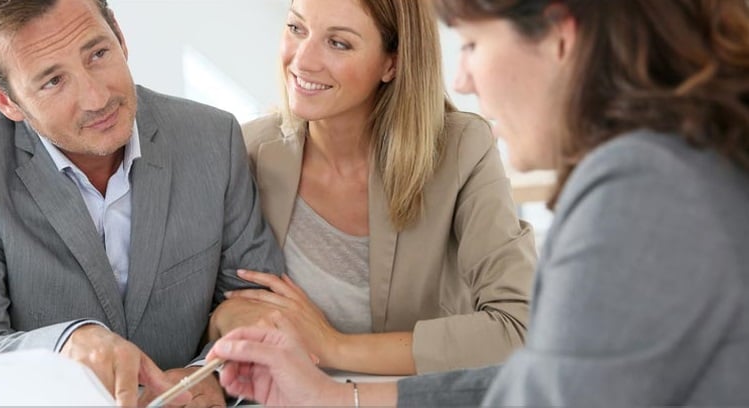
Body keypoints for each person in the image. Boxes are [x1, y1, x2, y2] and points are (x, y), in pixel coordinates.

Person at [208, 0, 749, 405]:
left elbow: (538, 372)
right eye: (296, 27)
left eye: (470, 44)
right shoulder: (679, 169)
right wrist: (334, 397)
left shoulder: (638, 185)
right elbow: (546, 376)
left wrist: (335, 353)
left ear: (560, 37)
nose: (462, 79)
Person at [0, 0, 285, 406]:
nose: (96, 98)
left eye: (98, 54)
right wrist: (64, 346)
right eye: (53, 81)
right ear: (5, 99)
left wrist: (208, 379)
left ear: (119, 37)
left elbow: (257, 306)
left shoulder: (213, 137)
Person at [207, 0, 536, 376]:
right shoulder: (247, 151)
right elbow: (212, 313)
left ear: (392, 63)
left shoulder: (462, 150)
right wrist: (228, 316)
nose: (303, 61)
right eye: (297, 28)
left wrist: (333, 345)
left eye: (339, 43)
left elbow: (520, 327)